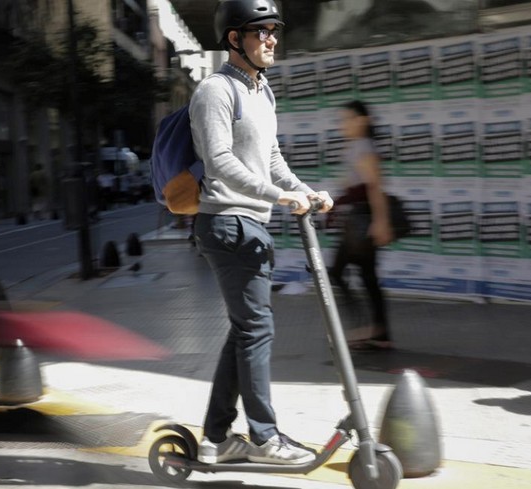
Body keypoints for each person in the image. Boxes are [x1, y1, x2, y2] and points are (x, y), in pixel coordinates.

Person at [189, 0, 333, 466]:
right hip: (227, 223)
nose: (272, 38)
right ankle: (264, 437)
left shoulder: (262, 90)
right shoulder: (215, 90)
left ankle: (215, 438)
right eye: (261, 31)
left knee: (244, 330)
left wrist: (306, 192)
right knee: (256, 328)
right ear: (235, 39)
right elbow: (220, 162)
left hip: (252, 224)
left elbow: (271, 159)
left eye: (274, 30)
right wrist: (276, 196)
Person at [329, 100, 393, 351]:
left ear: (362, 121)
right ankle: (379, 332)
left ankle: (364, 328)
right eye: (342, 120)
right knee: (368, 277)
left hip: (362, 220)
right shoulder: (355, 147)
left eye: (348, 119)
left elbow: (375, 188)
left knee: (338, 271)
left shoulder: (364, 147)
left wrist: (381, 222)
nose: (343, 124)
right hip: (356, 219)